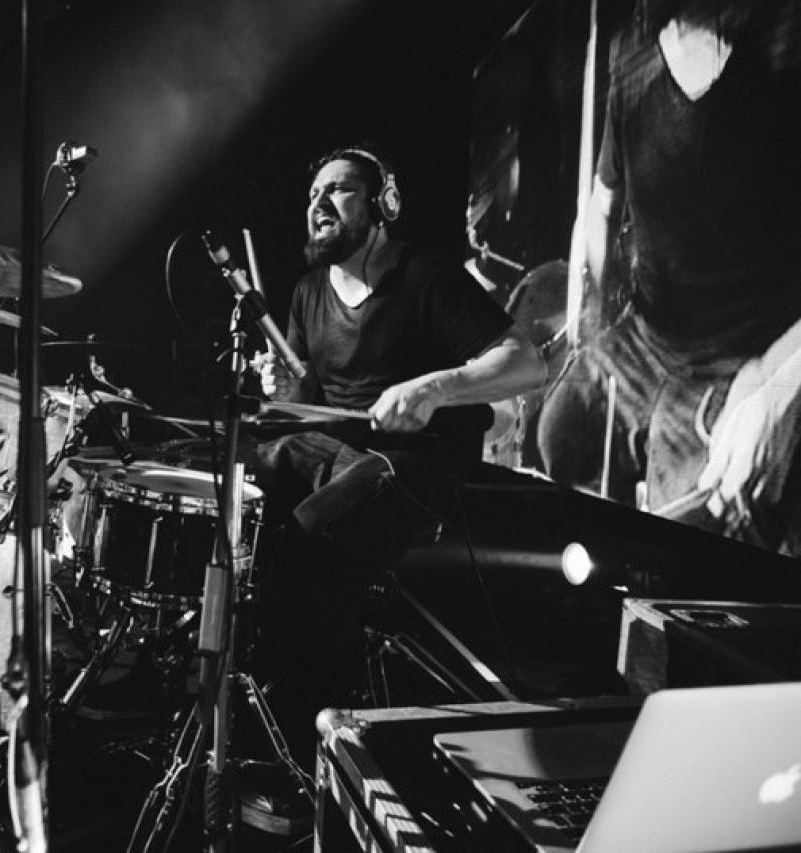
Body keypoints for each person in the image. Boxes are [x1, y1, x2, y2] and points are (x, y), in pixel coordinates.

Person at [249, 146, 544, 730]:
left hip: (414, 465)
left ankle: (313, 721)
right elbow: (306, 396)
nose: (319, 203)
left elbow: (526, 363)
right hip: (332, 454)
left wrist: (434, 387)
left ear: (383, 204)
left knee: (312, 534)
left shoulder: (428, 277)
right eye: (313, 194)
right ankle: (247, 682)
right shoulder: (309, 291)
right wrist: (284, 385)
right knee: (241, 483)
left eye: (339, 190)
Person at [537, 0, 801, 554]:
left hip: (744, 355)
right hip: (645, 339)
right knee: (561, 433)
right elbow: (601, 205)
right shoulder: (632, 66)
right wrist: (595, 317)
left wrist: (778, 387)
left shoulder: (784, 52)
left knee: (681, 538)